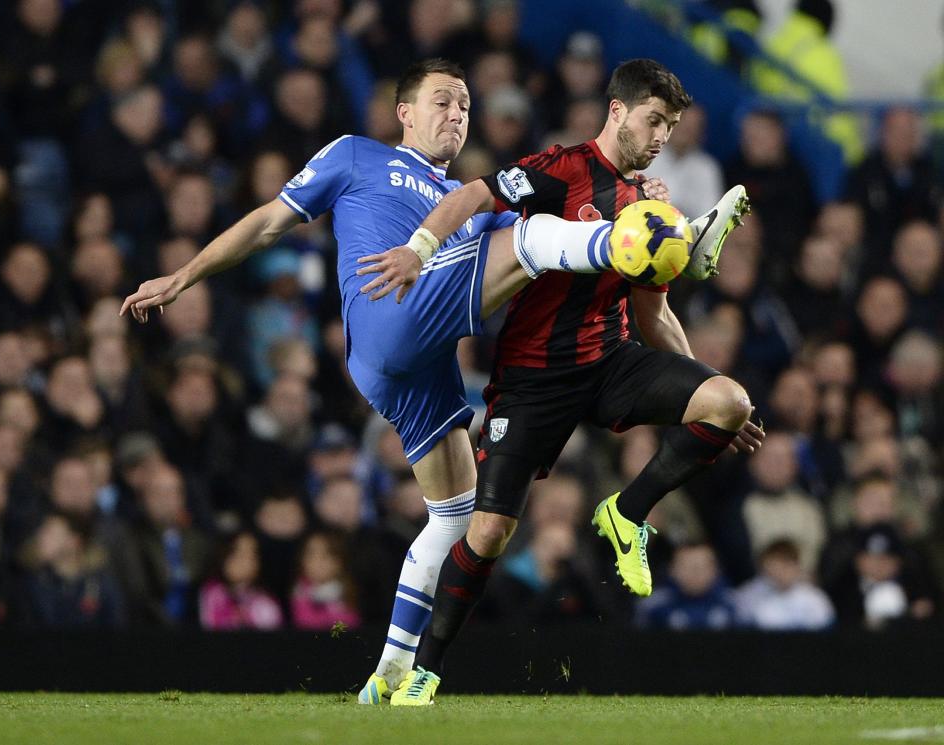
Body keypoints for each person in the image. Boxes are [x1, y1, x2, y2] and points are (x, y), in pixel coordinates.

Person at [121, 58, 740, 705]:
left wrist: (644, 215)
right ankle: (657, 241)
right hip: (391, 311)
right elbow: (270, 220)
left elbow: (560, 259)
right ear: (404, 112)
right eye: (443, 101)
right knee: (531, 236)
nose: (457, 115)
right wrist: (184, 275)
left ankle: (388, 670)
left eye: (465, 105)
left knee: (455, 515)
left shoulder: (470, 214)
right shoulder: (358, 156)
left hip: (413, 367)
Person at [360, 58, 763, 705]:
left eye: (672, 125)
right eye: (653, 119)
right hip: (532, 381)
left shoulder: (644, 206)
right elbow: (471, 195)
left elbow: (653, 312)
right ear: (616, 110)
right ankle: (421, 671)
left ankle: (626, 513)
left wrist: (704, 389)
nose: (661, 136)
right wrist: (419, 249)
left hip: (610, 362)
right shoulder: (559, 168)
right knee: (487, 532)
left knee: (731, 399)